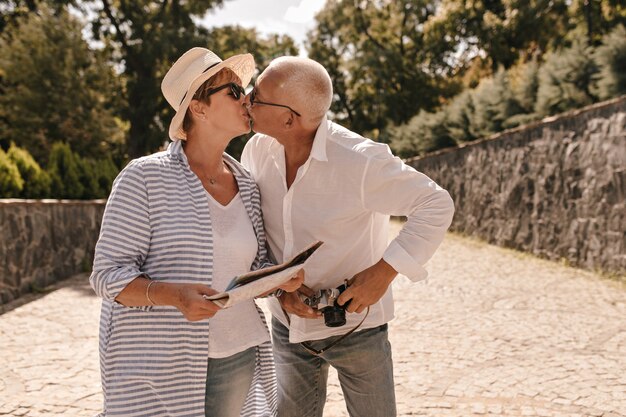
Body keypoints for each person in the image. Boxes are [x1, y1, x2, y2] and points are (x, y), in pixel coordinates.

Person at [89, 48, 303, 417]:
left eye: (245, 89)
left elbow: (250, 267)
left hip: (237, 353)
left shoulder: (247, 184)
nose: (247, 98)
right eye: (233, 92)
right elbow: (107, 276)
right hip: (158, 365)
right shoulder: (143, 178)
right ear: (198, 109)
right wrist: (175, 295)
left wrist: (280, 279)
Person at [241, 56, 455, 417]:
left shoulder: (360, 161)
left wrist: (385, 272)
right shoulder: (256, 151)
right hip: (287, 325)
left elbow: (435, 203)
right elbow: (253, 233)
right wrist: (280, 290)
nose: (246, 99)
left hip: (358, 329)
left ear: (289, 118)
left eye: (257, 96)